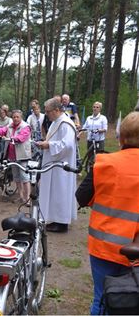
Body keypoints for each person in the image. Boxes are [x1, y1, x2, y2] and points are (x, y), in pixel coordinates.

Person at [76, 111, 139, 315]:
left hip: (104, 246)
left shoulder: (104, 163)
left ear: (121, 137)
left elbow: (82, 197)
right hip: (135, 250)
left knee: (102, 298)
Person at [36, 97, 78, 233]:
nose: (46, 114)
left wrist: (48, 145)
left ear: (56, 110)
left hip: (62, 168)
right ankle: (55, 218)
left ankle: (61, 223)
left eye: (48, 111)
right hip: (54, 163)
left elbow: (68, 146)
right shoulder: (56, 121)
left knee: (60, 192)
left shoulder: (65, 124)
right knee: (54, 192)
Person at [0, 110, 32, 204]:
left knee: (25, 177)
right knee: (17, 178)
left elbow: (21, 138)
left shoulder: (26, 127)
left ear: (21, 117)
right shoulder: (10, 126)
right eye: (14, 117)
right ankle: (21, 197)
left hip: (22, 155)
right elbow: (1, 130)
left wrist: (11, 138)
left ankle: (27, 199)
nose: (15, 118)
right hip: (12, 156)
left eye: (17, 117)